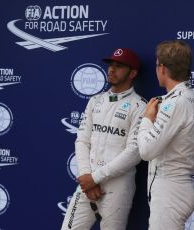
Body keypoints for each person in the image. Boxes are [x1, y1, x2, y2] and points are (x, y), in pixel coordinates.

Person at [61, 48, 147, 230]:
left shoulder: (140, 106)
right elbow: (82, 140)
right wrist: (87, 176)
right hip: (87, 183)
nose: (112, 70)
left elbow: (134, 152)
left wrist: (96, 177)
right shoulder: (95, 101)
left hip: (118, 186)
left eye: (119, 66)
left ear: (133, 73)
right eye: (111, 65)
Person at [137, 40, 194, 230]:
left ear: (162, 68)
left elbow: (145, 151)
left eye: (156, 64)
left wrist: (147, 119)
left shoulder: (174, 103)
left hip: (170, 192)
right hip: (180, 187)